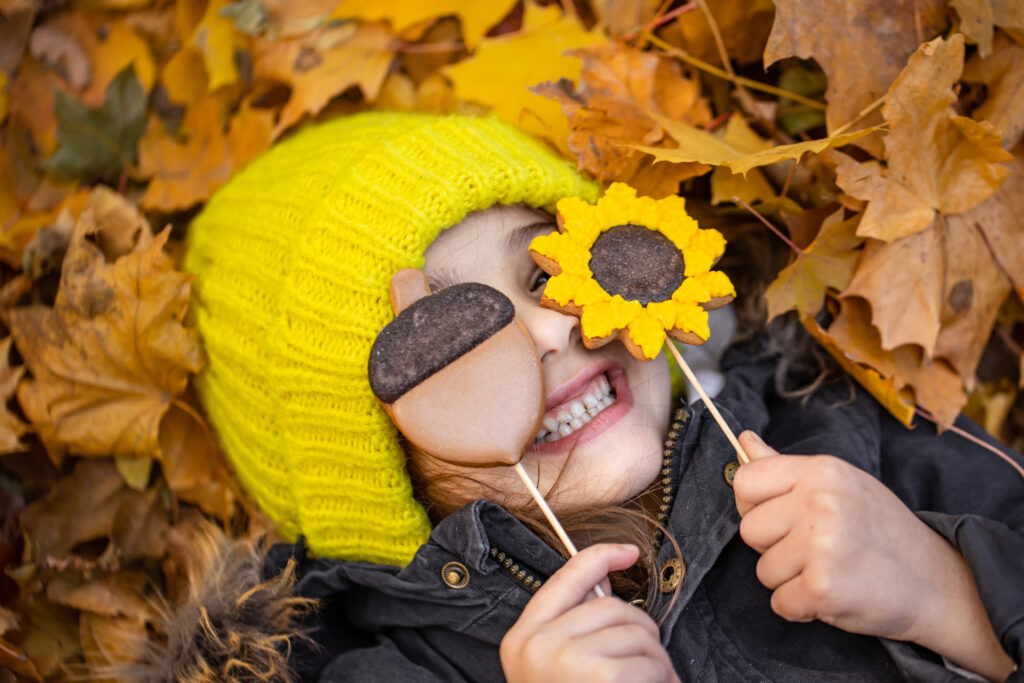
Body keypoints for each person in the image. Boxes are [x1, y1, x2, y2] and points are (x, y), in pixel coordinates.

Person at [162, 111, 1022, 682]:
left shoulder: (834, 427)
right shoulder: (386, 668)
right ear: (369, 472)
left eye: (545, 271)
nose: (545, 331)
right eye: (452, 340)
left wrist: (948, 595)